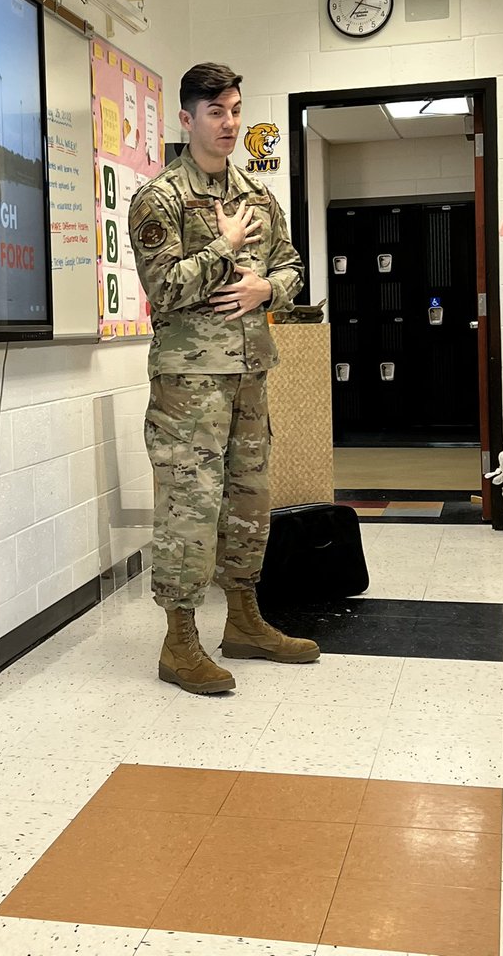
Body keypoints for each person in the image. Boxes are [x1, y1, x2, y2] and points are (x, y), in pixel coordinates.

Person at [129, 62, 320, 695]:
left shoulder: (259, 197)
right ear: (186, 119)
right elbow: (163, 287)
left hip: (249, 376)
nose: (229, 123)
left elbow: (292, 266)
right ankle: (179, 641)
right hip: (190, 385)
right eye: (216, 112)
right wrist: (221, 248)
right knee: (190, 504)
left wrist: (269, 287)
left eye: (235, 109)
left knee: (248, 501)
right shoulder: (159, 199)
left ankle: (243, 620)